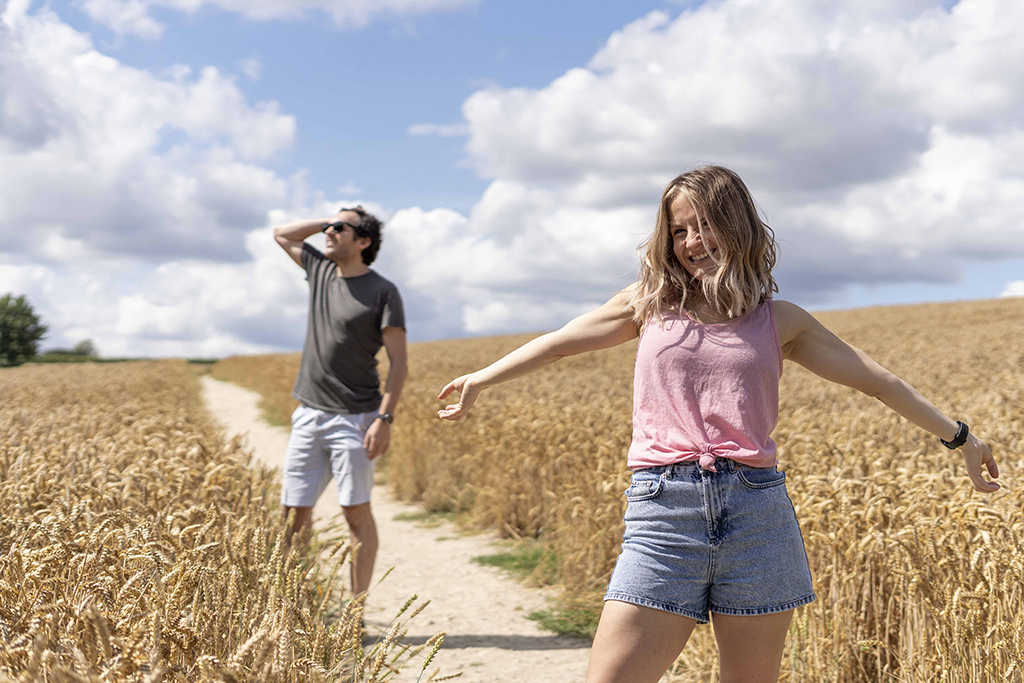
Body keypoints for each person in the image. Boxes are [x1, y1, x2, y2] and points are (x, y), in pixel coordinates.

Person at [435, 166, 999, 683]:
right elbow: (558, 344)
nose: (692, 243)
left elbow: (879, 381)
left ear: (739, 228)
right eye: (679, 231)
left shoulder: (782, 321)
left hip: (757, 516)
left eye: (705, 226)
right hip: (664, 511)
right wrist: (481, 378)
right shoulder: (648, 304)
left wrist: (961, 437)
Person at [273, 205, 408, 599]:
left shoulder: (383, 291)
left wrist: (384, 418)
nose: (328, 233)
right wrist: (328, 221)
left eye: (340, 228)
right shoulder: (320, 269)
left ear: (363, 241)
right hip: (308, 414)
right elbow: (282, 234)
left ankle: (355, 612)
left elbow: (399, 361)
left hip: (357, 419)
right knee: (292, 514)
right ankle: (294, 605)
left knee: (355, 514)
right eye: (328, 227)